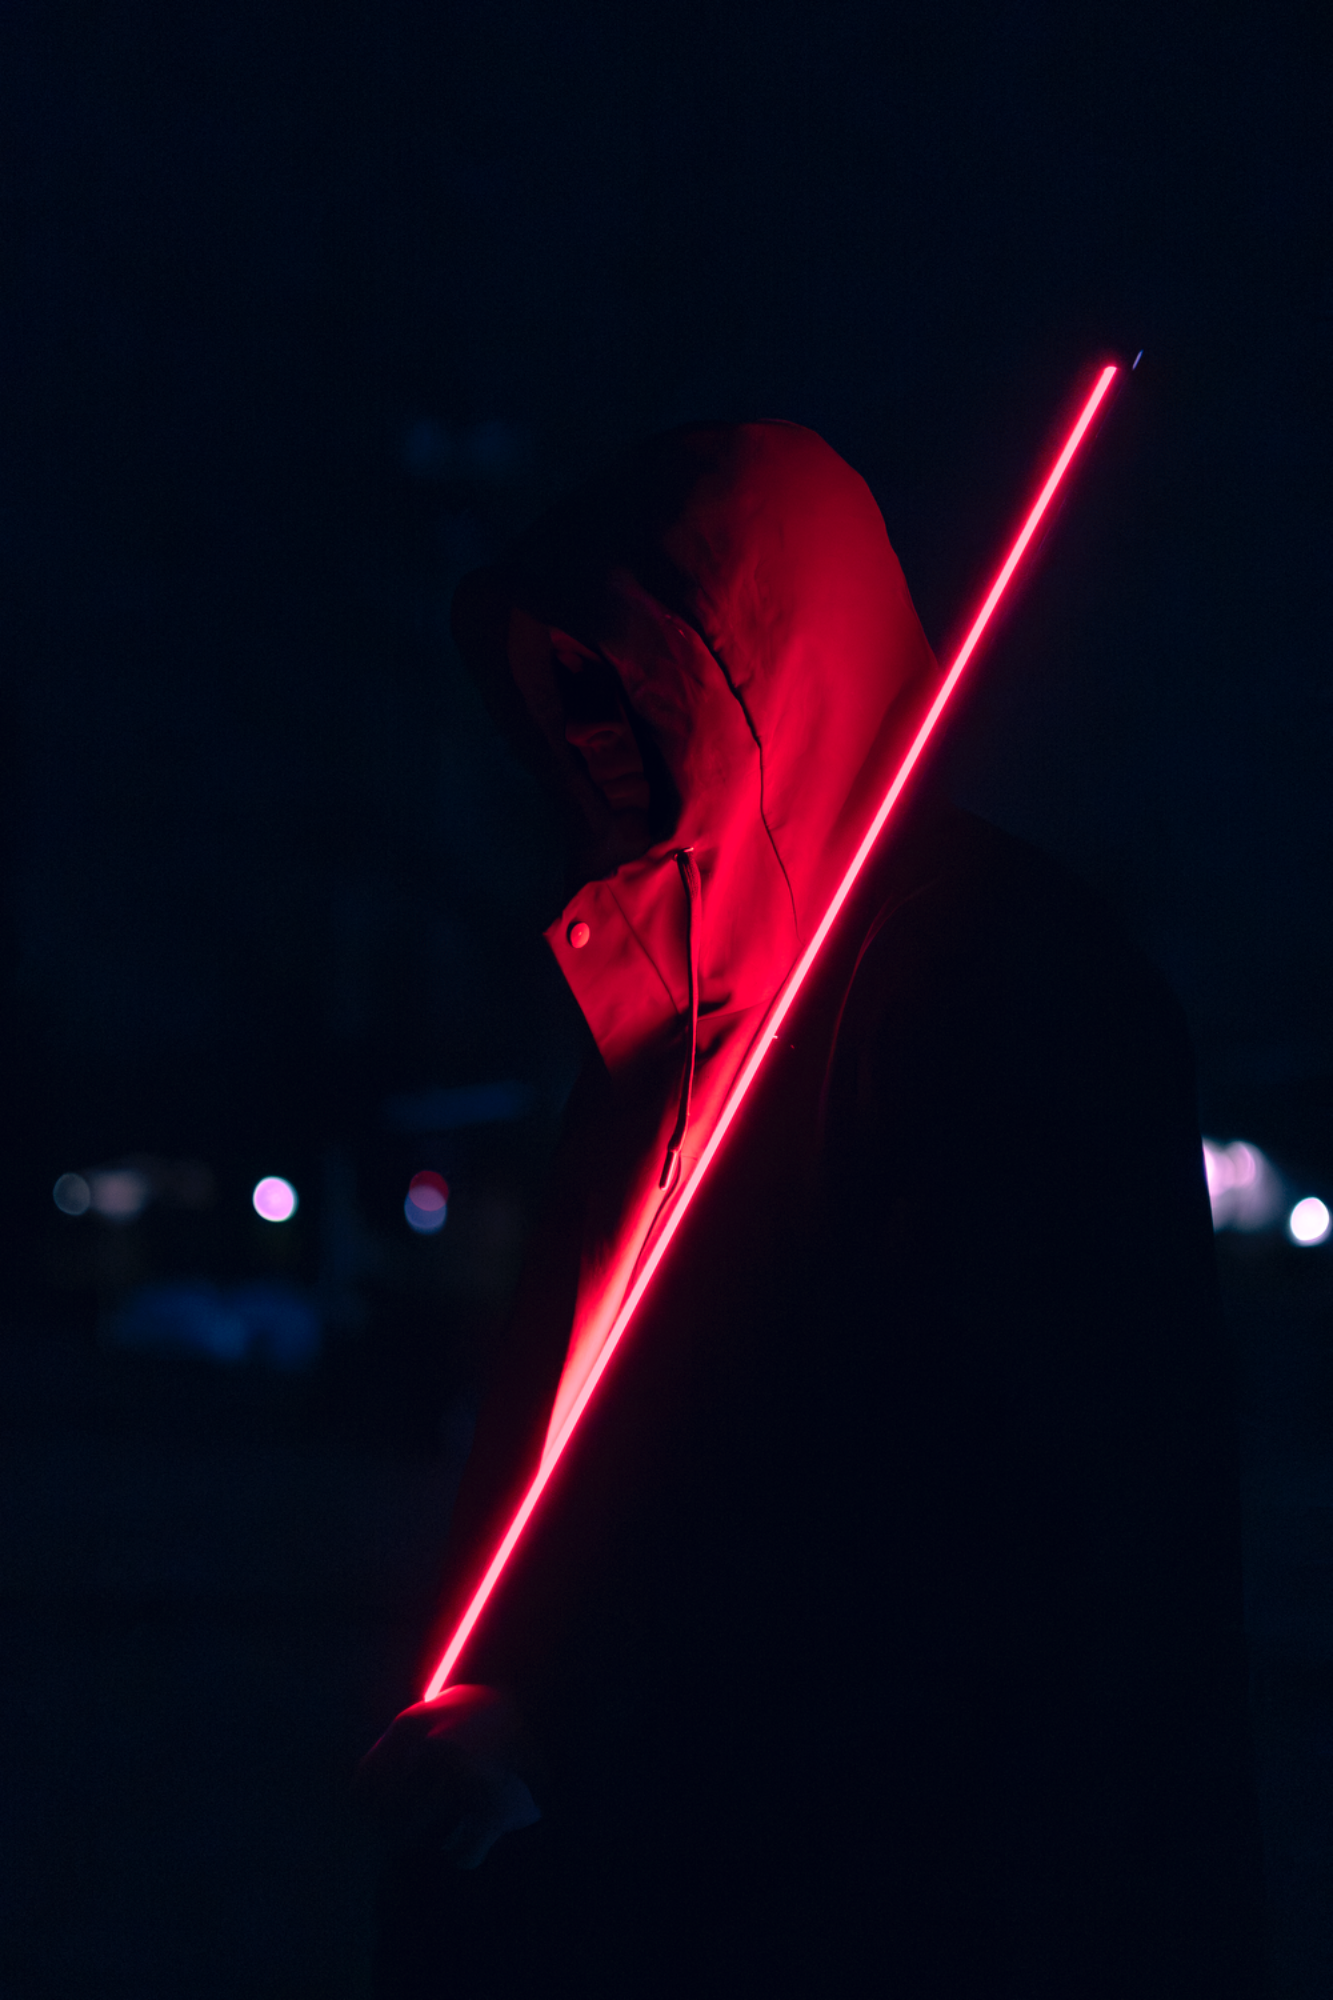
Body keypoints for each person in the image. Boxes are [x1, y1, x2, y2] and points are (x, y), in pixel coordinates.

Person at [357, 421, 1266, 1996]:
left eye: (625, 677)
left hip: (941, 1929)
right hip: (650, 1910)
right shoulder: (653, 1040)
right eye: (559, 686)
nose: (586, 734)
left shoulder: (1001, 987)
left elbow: (1012, 1555)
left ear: (747, 673)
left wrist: (570, 1750)